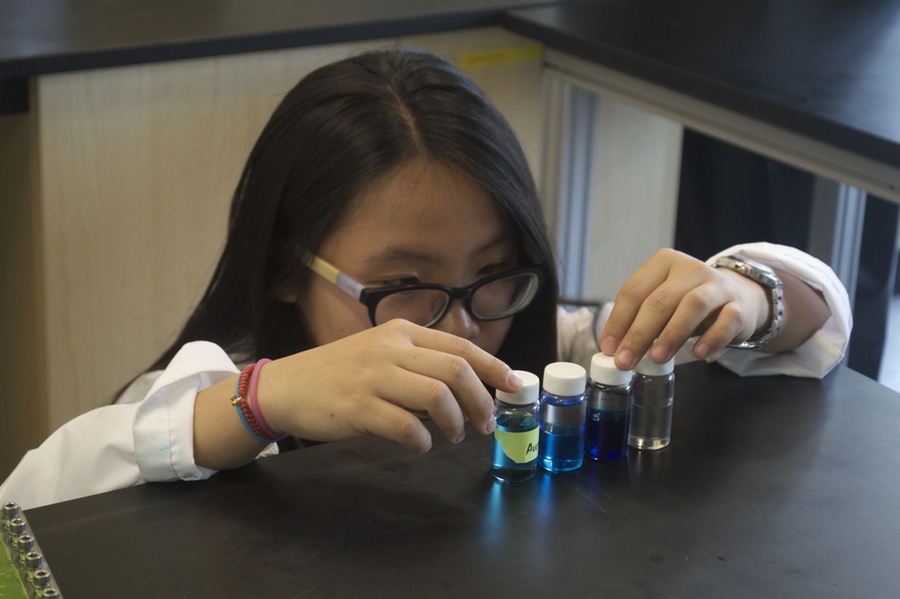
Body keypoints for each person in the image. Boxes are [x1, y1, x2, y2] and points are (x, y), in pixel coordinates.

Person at [0, 49, 850, 509]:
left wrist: (748, 291)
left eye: (493, 272)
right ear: (287, 268)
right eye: (405, 282)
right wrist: (263, 402)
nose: (460, 329)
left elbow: (808, 326)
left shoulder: (547, 354)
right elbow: (28, 508)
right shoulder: (221, 389)